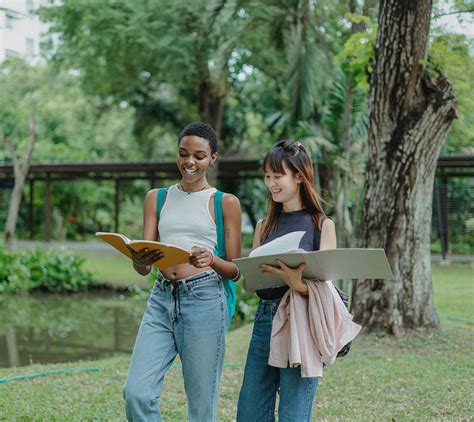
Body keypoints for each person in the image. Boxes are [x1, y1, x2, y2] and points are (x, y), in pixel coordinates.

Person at [123, 122, 241, 422]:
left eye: (199, 156)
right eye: (183, 154)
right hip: (161, 298)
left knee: (201, 407)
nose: (190, 162)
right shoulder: (157, 198)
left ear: (212, 158)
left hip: (204, 300)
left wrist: (211, 259)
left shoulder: (224, 202)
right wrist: (139, 259)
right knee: (137, 392)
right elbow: (143, 265)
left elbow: (237, 270)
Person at [237, 140, 337, 422]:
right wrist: (254, 275)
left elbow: (325, 290)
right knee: (250, 412)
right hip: (265, 319)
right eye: (267, 176)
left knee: (293, 414)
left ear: (299, 176)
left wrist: (296, 282)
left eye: (277, 176)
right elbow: (250, 285)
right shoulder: (263, 224)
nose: (271, 183)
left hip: (300, 320)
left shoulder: (321, 225)